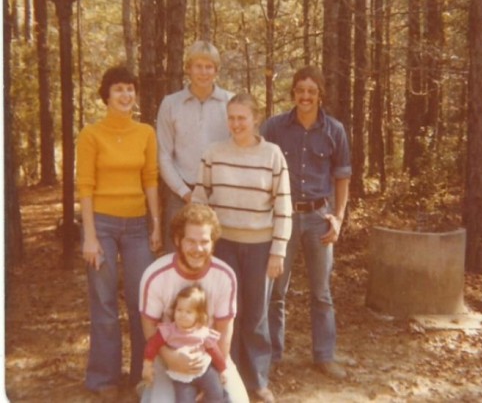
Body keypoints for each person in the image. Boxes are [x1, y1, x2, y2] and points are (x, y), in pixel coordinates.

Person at [192, 93, 292, 403]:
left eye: (242, 118)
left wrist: (278, 251)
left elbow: (284, 206)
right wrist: (200, 245)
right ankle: (225, 374)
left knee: (256, 313)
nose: (236, 124)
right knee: (223, 313)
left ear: (255, 119)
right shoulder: (214, 153)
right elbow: (199, 199)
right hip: (223, 247)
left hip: (260, 245)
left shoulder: (273, 155)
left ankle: (258, 379)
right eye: (232, 118)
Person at [260, 65, 352, 379]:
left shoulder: (334, 130)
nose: (306, 96)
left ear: (320, 95)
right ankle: (272, 357)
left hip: (317, 217)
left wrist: (338, 219)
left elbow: (342, 178)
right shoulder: (273, 127)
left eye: (312, 91)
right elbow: (261, 168)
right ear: (293, 93)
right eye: (300, 90)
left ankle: (324, 356)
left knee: (321, 292)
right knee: (275, 291)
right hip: (283, 217)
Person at [76, 66, 161, 397]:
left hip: (138, 226)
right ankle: (104, 377)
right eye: (119, 90)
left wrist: (155, 224)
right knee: (104, 301)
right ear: (106, 96)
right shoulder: (91, 135)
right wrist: (90, 236)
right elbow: (85, 186)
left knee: (144, 303)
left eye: (130, 89)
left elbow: (150, 179)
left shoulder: (146, 133)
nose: (126, 95)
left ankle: (145, 374)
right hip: (103, 225)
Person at [139, 203, 249, 403]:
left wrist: (211, 382)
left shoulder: (225, 276)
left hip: (210, 359)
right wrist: (170, 358)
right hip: (168, 358)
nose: (198, 249)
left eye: (204, 242)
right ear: (177, 240)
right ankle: (149, 391)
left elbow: (224, 333)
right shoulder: (155, 275)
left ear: (213, 243)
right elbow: (149, 330)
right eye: (190, 241)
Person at [156, 40, 232, 253]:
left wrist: (217, 193)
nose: (203, 72)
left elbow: (237, 151)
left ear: (216, 70)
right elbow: (164, 155)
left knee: (215, 257)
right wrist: (185, 193)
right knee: (177, 257)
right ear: (188, 68)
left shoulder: (229, 102)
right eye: (198, 66)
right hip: (180, 194)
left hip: (218, 195)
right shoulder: (171, 104)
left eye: (209, 67)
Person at [142, 284, 229, 403]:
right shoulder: (169, 331)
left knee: (216, 393)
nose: (182, 315)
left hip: (205, 371)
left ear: (198, 315)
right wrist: (148, 364)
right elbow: (153, 344)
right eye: (179, 310)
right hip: (181, 375)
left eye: (189, 312)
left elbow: (214, 351)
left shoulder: (202, 332)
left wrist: (223, 369)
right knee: (183, 400)